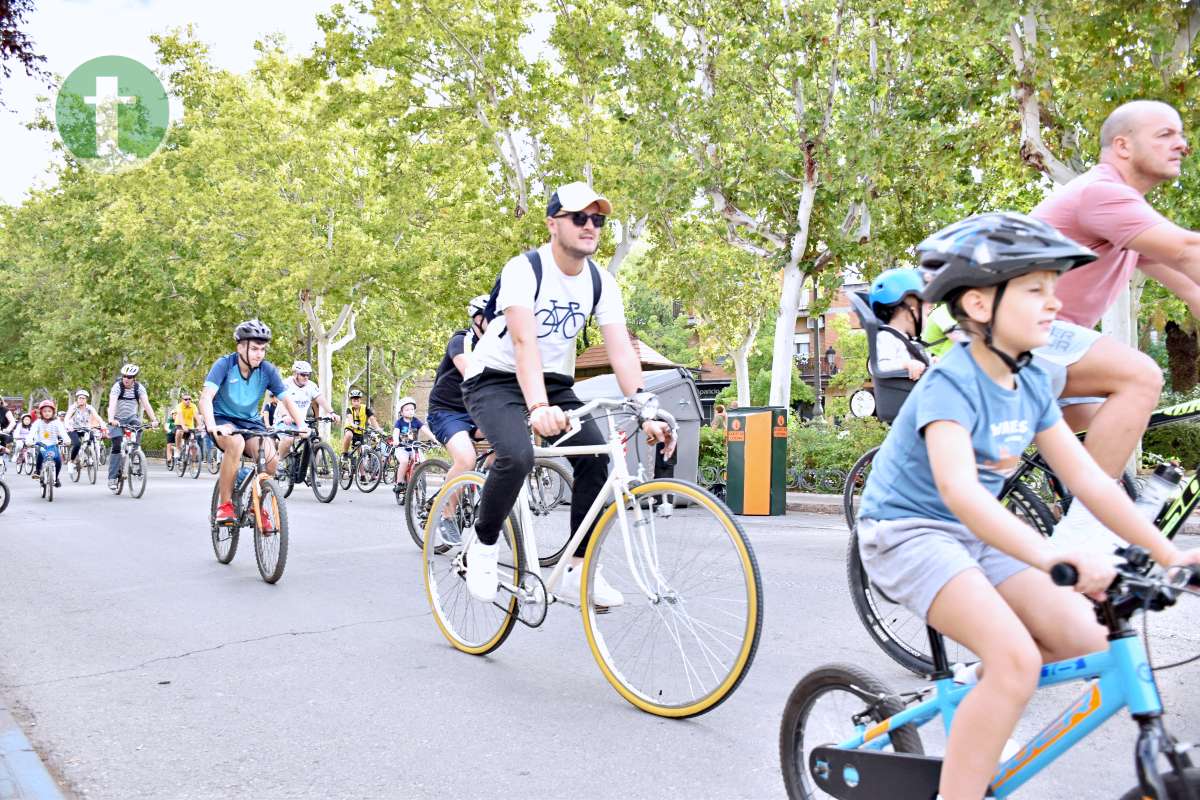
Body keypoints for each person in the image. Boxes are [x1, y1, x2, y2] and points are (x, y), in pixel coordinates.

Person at [855, 212, 1200, 800]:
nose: (1053, 303)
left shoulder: (1035, 378)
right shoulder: (951, 383)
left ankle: (979, 698)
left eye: (1053, 288)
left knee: (1089, 640)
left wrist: (1173, 556)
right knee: (1015, 659)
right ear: (981, 307)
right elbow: (961, 492)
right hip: (908, 534)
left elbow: (1089, 480)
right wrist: (1051, 559)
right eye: (1035, 290)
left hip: (976, 536)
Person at [460, 181, 673, 605]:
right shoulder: (525, 268)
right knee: (517, 455)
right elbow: (524, 343)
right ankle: (482, 546)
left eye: (598, 219)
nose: (590, 226)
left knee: (597, 458)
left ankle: (579, 569)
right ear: (553, 224)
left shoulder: (600, 281)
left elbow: (620, 350)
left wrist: (646, 408)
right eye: (579, 218)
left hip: (555, 382)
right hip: (496, 378)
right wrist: (537, 407)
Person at [1029, 100, 1200, 546]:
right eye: (1165, 134)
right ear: (1122, 146)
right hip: (1024, 334)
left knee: (1110, 447)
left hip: (1052, 347)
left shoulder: (1125, 214)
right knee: (1141, 375)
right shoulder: (1102, 193)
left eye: (1181, 134)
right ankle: (1084, 533)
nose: (1181, 144)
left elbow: (1189, 286)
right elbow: (1186, 250)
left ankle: (1077, 571)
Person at [199, 320, 305, 525]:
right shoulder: (224, 365)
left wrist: (301, 425)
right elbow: (205, 398)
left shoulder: (267, 370)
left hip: (251, 422)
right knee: (236, 443)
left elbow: (286, 399)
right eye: (254, 348)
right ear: (240, 347)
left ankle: (255, 507)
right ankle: (225, 506)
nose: (259, 354)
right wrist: (212, 425)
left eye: (263, 349)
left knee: (271, 460)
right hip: (223, 420)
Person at [423, 295, 491, 540]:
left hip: (477, 412)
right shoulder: (462, 340)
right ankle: (447, 515)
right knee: (465, 459)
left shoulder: (499, 346)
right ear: (479, 319)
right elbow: (468, 368)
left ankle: (487, 492)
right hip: (446, 411)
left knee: (509, 448)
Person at [868, 267, 934, 380]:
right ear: (910, 315)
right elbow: (878, 366)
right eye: (926, 314)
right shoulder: (886, 337)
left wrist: (932, 362)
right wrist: (905, 365)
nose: (927, 319)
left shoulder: (911, 341)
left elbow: (922, 364)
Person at [272, 360, 339, 465]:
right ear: (295, 374)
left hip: (301, 423)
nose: (306, 377)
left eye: (308, 375)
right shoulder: (286, 384)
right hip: (284, 420)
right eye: (303, 375)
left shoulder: (311, 386)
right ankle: (278, 462)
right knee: (289, 439)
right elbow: (280, 401)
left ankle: (311, 473)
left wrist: (332, 412)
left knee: (315, 441)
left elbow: (321, 399)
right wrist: (285, 415)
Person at [106, 364, 159, 490]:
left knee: (138, 426)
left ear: (134, 378)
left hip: (131, 417)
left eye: (129, 377)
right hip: (116, 419)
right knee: (117, 445)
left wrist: (154, 420)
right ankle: (112, 478)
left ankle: (135, 455)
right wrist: (111, 419)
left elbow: (146, 404)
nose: (126, 379)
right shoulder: (117, 387)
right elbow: (112, 403)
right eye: (124, 376)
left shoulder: (139, 388)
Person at [26, 400, 69, 486]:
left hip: (53, 444)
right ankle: (37, 471)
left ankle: (56, 478)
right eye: (44, 411)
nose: (47, 413)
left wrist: (67, 440)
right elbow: (32, 432)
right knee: (40, 455)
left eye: (49, 411)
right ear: (41, 412)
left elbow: (63, 432)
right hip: (41, 444)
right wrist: (29, 441)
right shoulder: (38, 422)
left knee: (58, 460)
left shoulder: (57, 422)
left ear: (53, 412)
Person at [391, 396, 425, 493]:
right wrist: (396, 440)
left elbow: (424, 429)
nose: (410, 411)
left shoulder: (416, 421)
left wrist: (435, 438)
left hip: (414, 448)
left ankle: (417, 478)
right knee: (404, 461)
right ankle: (400, 482)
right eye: (407, 409)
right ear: (401, 412)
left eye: (412, 409)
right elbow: (396, 432)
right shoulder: (400, 422)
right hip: (402, 448)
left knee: (421, 461)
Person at [65, 390, 103, 468]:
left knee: (92, 438)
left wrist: (102, 424)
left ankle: (90, 456)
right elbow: (67, 418)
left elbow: (97, 417)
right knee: (77, 444)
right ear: (77, 399)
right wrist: (68, 426)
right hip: (74, 429)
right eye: (80, 398)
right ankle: (71, 461)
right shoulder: (73, 407)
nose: (81, 400)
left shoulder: (89, 408)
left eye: (83, 398)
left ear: (86, 400)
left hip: (85, 429)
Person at [341, 389, 381, 454]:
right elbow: (350, 419)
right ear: (351, 401)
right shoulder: (349, 409)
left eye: (358, 401)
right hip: (350, 429)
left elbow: (372, 419)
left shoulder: (365, 408)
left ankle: (358, 463)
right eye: (354, 401)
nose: (356, 403)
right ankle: (344, 454)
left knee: (361, 454)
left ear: (360, 401)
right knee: (348, 435)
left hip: (360, 431)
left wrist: (378, 429)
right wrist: (353, 425)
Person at [172, 392, 201, 461]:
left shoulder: (193, 406)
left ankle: (193, 462)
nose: (188, 400)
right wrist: (183, 426)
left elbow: (196, 416)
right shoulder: (179, 406)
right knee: (179, 432)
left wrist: (200, 425)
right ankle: (178, 449)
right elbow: (180, 415)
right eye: (186, 399)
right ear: (182, 400)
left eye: (189, 399)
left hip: (190, 426)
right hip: (180, 424)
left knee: (193, 442)